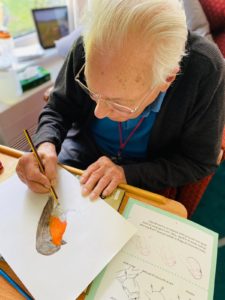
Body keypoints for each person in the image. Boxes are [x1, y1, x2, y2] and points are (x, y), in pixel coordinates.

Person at [16, 0, 225, 206]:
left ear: (167, 79)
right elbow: (59, 107)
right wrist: (45, 144)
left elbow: (198, 162)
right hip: (83, 148)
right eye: (92, 91)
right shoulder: (88, 44)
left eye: (118, 103)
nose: (98, 112)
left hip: (148, 169)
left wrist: (127, 173)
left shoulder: (206, 69)